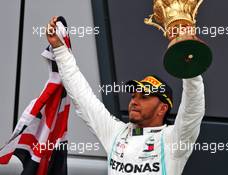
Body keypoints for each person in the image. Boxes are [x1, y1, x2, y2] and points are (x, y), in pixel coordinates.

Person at [46, 16, 205, 175]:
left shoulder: (173, 140)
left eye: (144, 97)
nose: (134, 102)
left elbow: (192, 110)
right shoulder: (116, 133)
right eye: (133, 96)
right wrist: (60, 50)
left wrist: (187, 55)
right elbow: (82, 95)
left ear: (162, 109)